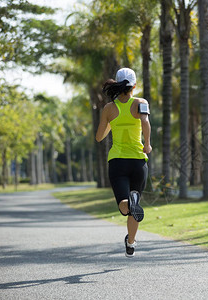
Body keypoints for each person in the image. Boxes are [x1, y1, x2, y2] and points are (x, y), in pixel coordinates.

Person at [95, 67, 152, 258]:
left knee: (123, 203)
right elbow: (145, 123)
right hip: (138, 162)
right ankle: (131, 242)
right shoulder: (141, 102)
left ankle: (129, 203)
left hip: (118, 161)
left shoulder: (109, 109)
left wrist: (112, 123)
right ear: (134, 85)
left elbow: (99, 137)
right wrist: (148, 145)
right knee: (134, 210)